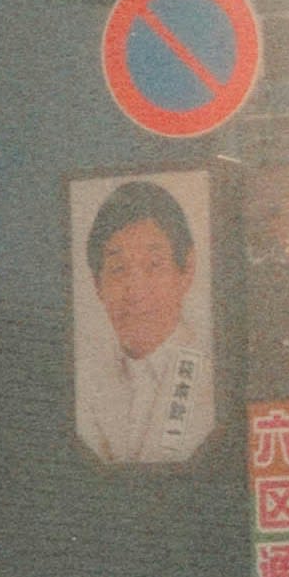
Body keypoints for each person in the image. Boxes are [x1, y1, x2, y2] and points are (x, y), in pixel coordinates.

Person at [77, 180, 212, 466]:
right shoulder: (85, 383)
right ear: (97, 284)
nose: (135, 291)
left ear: (186, 269)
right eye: (118, 269)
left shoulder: (214, 375)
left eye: (153, 266)